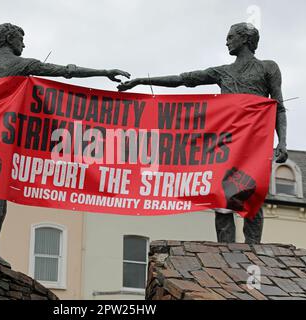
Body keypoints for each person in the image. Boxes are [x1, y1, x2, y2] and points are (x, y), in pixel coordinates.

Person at [0, 23, 130, 267]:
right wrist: (103, 72)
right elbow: (65, 71)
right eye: (20, 39)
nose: (23, 44)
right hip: (2, 135)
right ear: (9, 38)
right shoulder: (20, 64)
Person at [118, 22, 288, 244]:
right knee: (222, 197)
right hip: (226, 144)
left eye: (230, 37)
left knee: (252, 195)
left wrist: (282, 141)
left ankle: (253, 250)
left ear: (244, 39)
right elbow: (183, 79)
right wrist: (143, 80)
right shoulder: (222, 72)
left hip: (255, 144)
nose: (226, 41)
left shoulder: (268, 68)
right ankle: (224, 252)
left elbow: (279, 107)